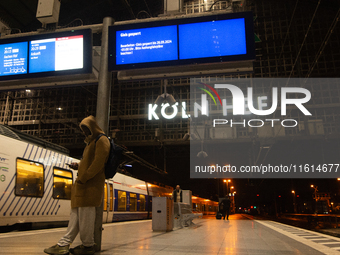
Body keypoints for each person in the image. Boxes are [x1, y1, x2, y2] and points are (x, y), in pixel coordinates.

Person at [44, 116, 110, 255]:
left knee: (86, 218)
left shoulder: (102, 140)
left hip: (90, 186)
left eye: (86, 129)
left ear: (93, 127)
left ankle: (88, 245)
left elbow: (98, 163)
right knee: (75, 217)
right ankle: (64, 243)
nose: (85, 132)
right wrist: (78, 166)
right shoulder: (90, 143)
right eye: (83, 130)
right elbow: (88, 162)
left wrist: (84, 177)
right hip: (82, 186)